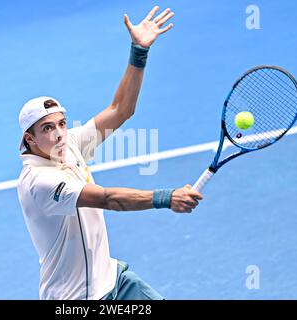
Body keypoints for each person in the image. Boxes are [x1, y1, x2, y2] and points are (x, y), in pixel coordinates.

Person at [16, 6, 203, 300]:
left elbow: (121, 110)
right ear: (30, 138)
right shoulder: (38, 182)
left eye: (62, 124)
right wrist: (168, 197)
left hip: (113, 279)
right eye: (48, 128)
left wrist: (139, 51)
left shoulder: (68, 145)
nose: (60, 133)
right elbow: (107, 199)